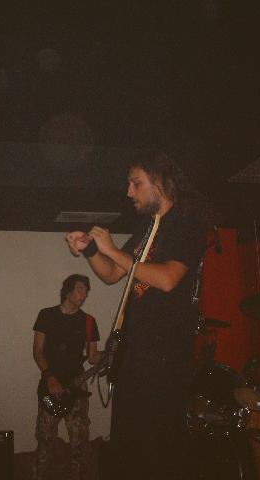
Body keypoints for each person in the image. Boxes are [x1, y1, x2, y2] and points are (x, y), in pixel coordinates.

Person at [66, 152, 206, 480]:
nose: (129, 192)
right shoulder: (147, 228)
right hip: (135, 349)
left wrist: (113, 250)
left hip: (164, 352)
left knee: (157, 444)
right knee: (129, 443)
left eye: (136, 183)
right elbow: (112, 274)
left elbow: (168, 279)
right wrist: (90, 250)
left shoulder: (186, 223)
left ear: (160, 182)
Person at [32, 274, 102, 480]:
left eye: (86, 291)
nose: (84, 294)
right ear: (68, 291)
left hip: (77, 388)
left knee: (79, 441)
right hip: (50, 386)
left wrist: (111, 353)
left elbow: (93, 357)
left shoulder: (89, 321)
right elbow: (37, 351)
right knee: (45, 439)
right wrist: (50, 377)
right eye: (80, 289)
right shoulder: (46, 315)